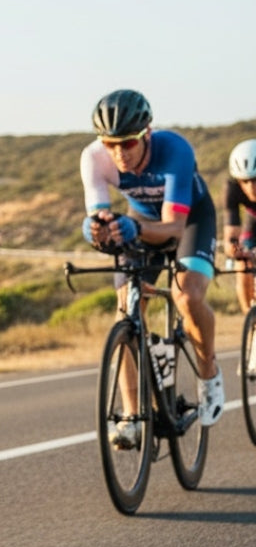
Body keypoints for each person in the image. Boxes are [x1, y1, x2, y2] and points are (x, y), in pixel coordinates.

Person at [80, 89, 223, 447]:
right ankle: (131, 416)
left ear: (146, 133)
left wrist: (135, 228)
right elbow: (99, 217)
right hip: (142, 223)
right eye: (110, 143)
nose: (119, 153)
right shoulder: (94, 159)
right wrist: (96, 231)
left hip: (189, 222)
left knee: (186, 297)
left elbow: (173, 227)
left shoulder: (174, 150)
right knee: (125, 309)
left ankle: (209, 374)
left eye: (127, 143)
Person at [222, 139, 256, 322]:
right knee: (242, 263)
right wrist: (236, 251)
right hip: (253, 224)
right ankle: (250, 323)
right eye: (245, 181)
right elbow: (230, 238)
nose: (251, 187)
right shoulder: (232, 189)